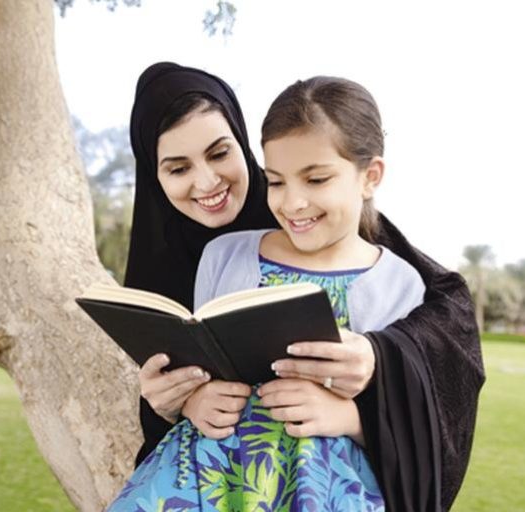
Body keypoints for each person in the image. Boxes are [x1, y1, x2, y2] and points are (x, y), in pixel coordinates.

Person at [124, 62, 485, 511]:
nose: (207, 181)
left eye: (219, 154)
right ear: (154, 176)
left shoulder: (381, 265)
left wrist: (377, 364)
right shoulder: (221, 256)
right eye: (178, 168)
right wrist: (178, 399)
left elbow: (438, 344)